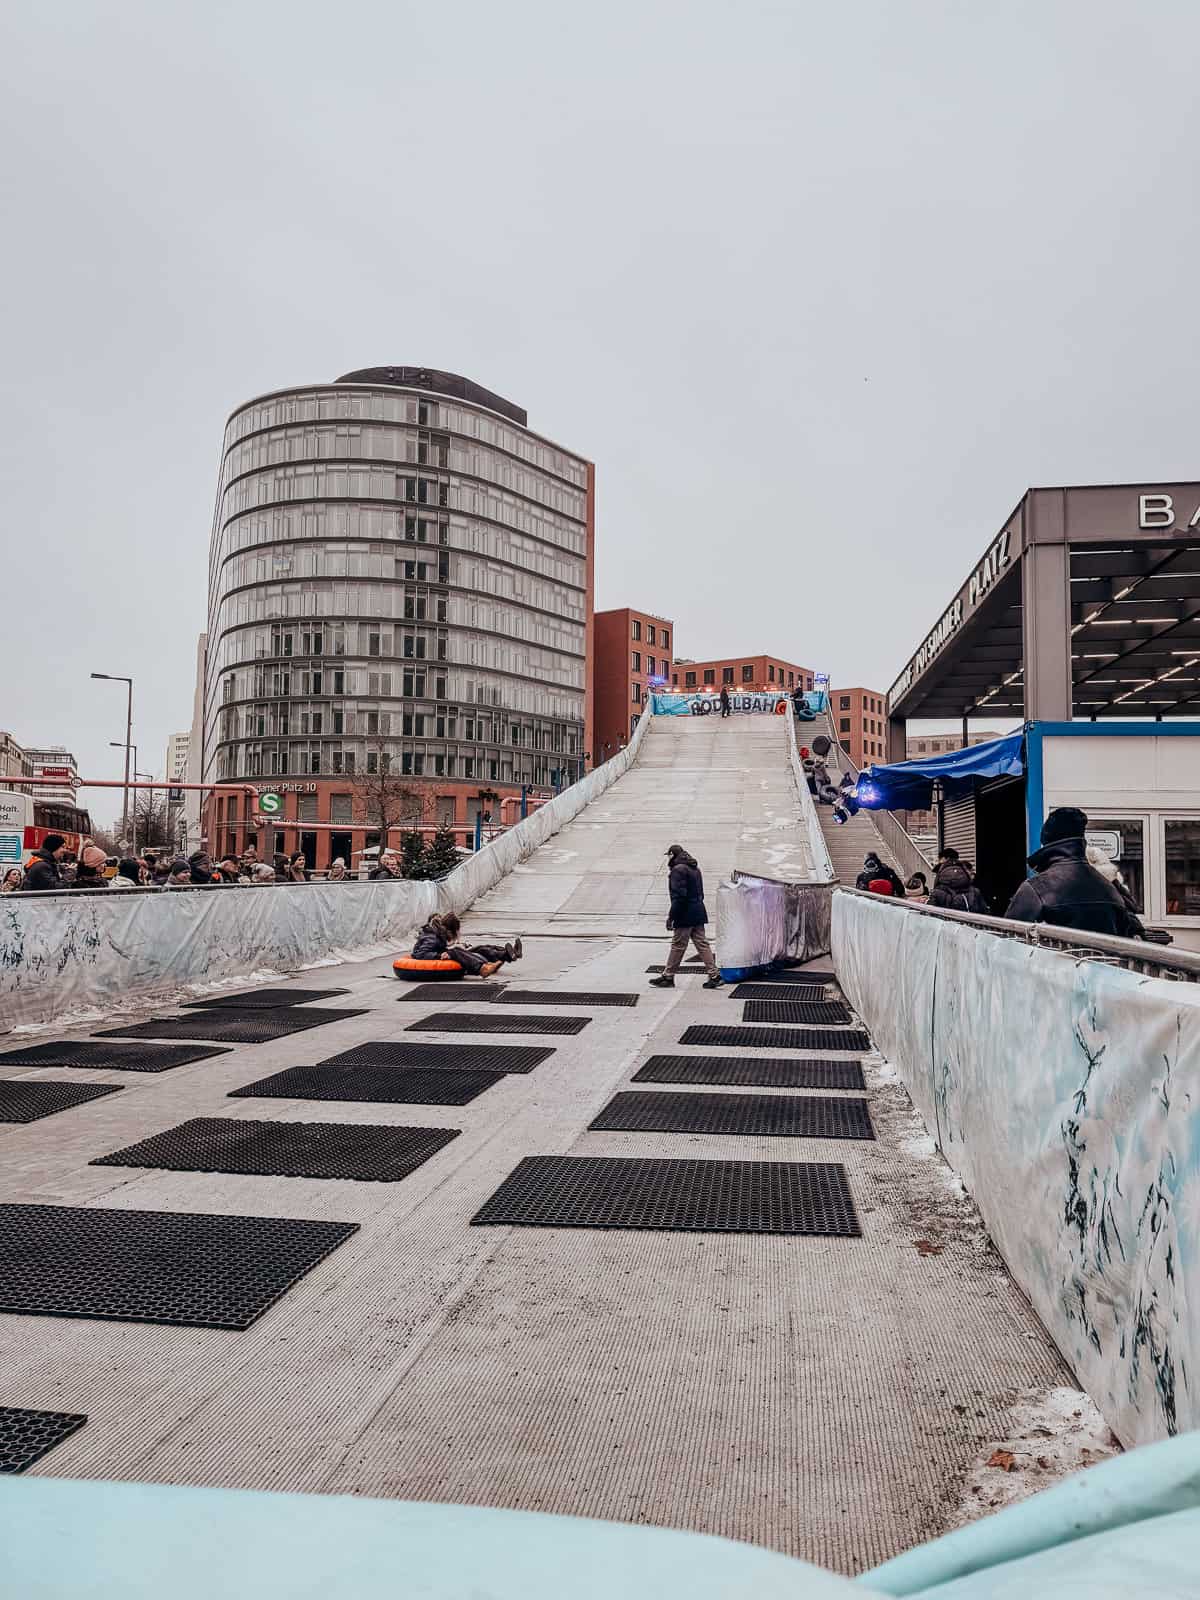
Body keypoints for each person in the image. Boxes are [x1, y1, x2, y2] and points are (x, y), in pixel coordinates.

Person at [1004, 807, 1145, 938]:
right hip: (1103, 964)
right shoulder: (1109, 889)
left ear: (1046, 841)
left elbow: (1008, 937)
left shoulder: (1037, 888)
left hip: (1053, 964)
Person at [649, 843, 723, 989]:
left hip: (685, 913)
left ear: (672, 855)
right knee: (702, 943)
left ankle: (668, 977)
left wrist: (671, 917)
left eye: (668, 855)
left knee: (678, 945)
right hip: (698, 910)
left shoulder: (678, 870)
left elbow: (679, 897)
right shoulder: (695, 868)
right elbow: (699, 892)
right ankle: (715, 975)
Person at [410, 911, 522, 977]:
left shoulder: (440, 936)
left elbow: (441, 947)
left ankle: (507, 954)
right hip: (429, 963)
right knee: (455, 951)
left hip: (441, 954)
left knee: (480, 948)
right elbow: (420, 954)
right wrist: (439, 955)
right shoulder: (433, 937)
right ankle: (483, 969)